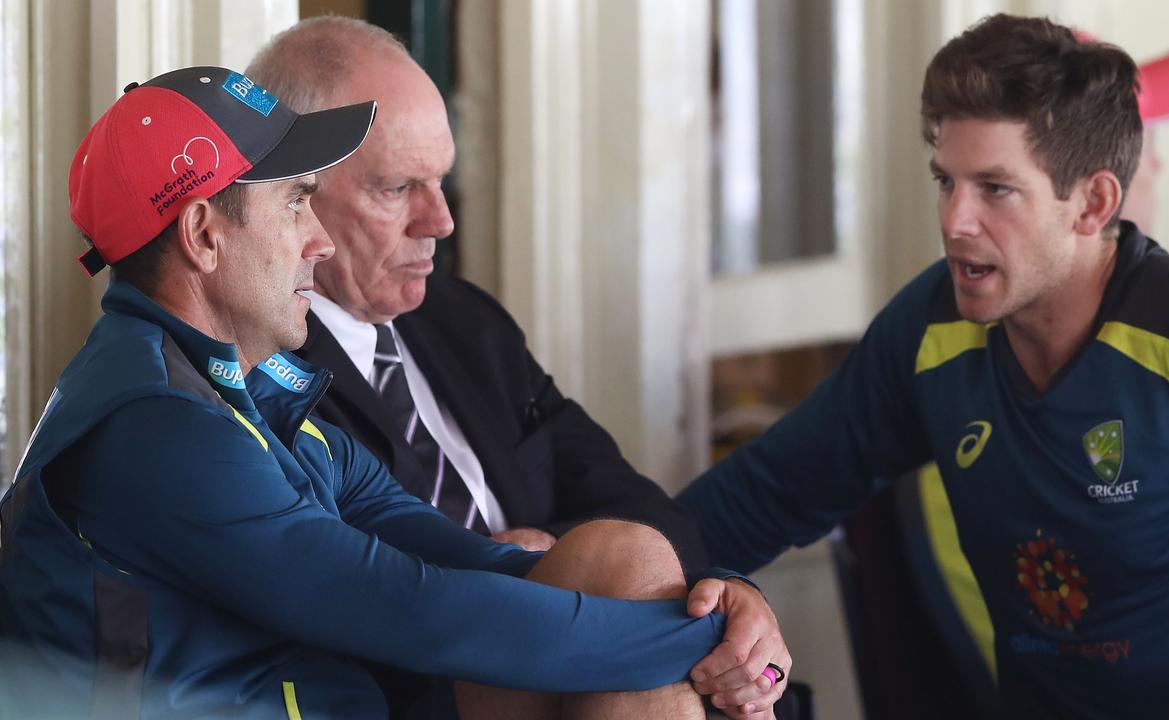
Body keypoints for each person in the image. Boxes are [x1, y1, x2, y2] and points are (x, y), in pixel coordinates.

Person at [0, 66, 790, 720]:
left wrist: (721, 606)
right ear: (205, 234)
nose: (318, 238)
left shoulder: (243, 392)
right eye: (296, 202)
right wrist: (706, 647)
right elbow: (415, 610)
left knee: (624, 555)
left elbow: (464, 564)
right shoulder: (159, 429)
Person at [682, 14, 1169, 718]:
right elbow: (765, 495)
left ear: (1093, 203)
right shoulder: (930, 330)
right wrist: (591, 558)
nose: (954, 219)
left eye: (994, 189)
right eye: (946, 181)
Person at [242, 17, 707, 571]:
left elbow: (657, 519)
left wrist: (553, 556)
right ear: (295, 189)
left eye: (442, 181)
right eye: (397, 189)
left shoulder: (466, 323)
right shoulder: (254, 366)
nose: (440, 223)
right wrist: (528, 577)